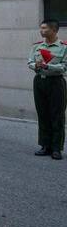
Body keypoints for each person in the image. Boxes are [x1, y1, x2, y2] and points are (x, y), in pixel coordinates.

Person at [27, 19, 67, 160]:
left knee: (57, 115)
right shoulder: (37, 46)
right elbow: (30, 62)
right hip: (39, 81)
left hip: (56, 83)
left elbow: (64, 67)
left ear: (54, 30)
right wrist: (36, 66)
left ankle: (56, 148)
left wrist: (48, 66)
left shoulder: (63, 47)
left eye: (44, 28)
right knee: (43, 114)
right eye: (41, 28)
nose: (41, 31)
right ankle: (45, 145)